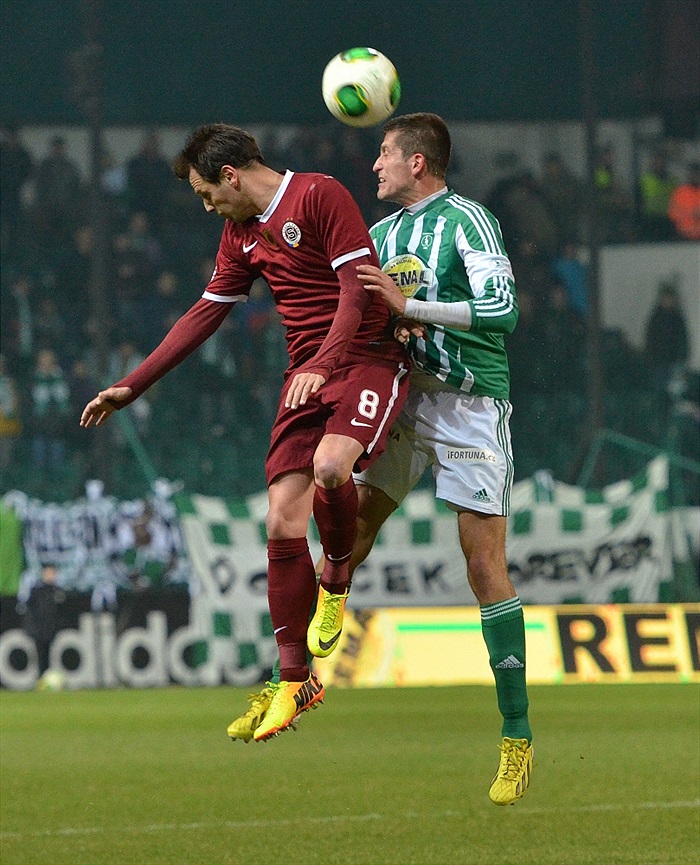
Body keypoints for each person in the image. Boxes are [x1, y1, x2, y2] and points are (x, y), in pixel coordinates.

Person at [230, 113, 534, 806]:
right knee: (347, 530)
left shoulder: (468, 221)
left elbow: (505, 307)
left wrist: (414, 304)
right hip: (402, 397)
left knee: (482, 564)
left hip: (467, 403)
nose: (375, 166)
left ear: (418, 162)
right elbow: (368, 308)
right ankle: (294, 679)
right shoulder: (384, 235)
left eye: (385, 155)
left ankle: (516, 735)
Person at [80, 123, 409, 741]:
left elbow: (355, 293)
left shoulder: (319, 195)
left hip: (366, 357)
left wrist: (324, 363)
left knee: (332, 469)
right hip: (304, 373)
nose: (207, 207)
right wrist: (135, 383)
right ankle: (295, 682)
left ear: (230, 174)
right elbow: (204, 313)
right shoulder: (240, 235)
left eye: (207, 194)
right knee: (281, 519)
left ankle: (336, 575)